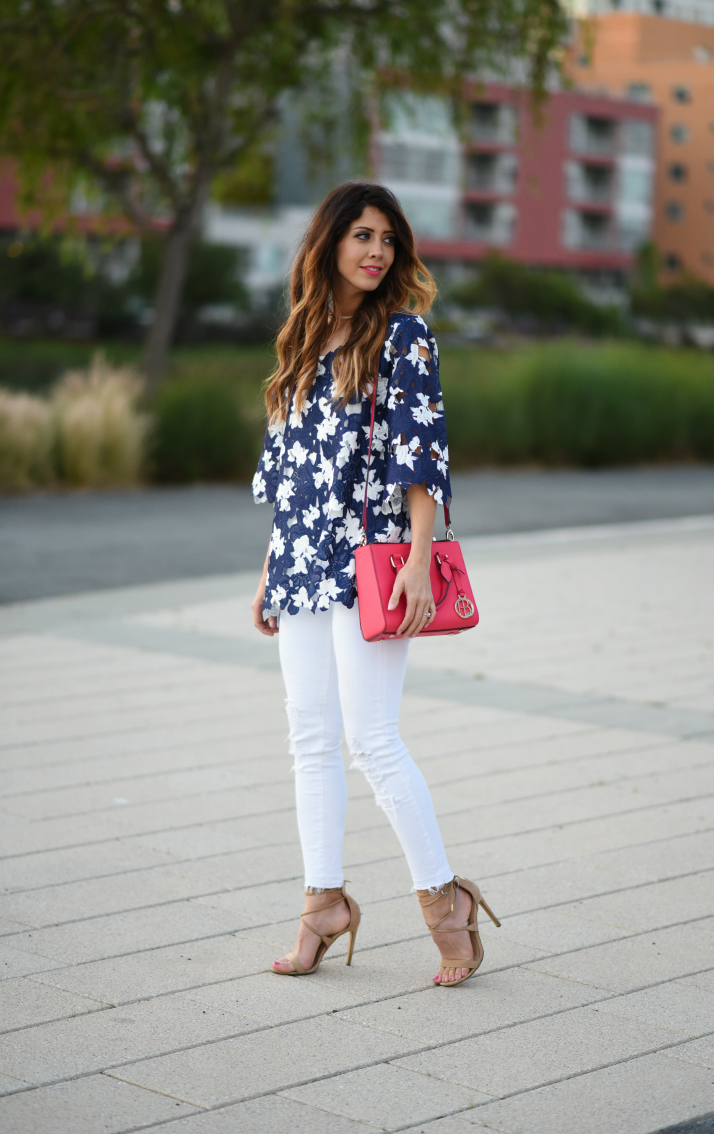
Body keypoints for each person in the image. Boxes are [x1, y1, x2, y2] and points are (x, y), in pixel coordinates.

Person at [251, 182, 499, 986]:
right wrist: (268, 568)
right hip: (299, 563)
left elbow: (420, 458)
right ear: (328, 243)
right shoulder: (301, 338)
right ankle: (322, 902)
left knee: (372, 739)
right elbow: (286, 473)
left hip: (374, 563)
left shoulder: (405, 336)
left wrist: (421, 561)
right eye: (361, 235)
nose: (376, 252)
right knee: (310, 738)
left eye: (387, 239)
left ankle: (444, 902)